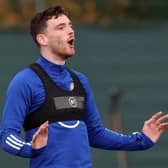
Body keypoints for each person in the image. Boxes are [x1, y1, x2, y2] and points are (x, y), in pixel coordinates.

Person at [0, 5, 168, 168]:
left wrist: (142, 140)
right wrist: (31, 149)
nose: (70, 31)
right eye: (61, 27)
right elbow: (6, 136)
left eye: (70, 26)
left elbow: (95, 134)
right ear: (42, 39)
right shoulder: (25, 81)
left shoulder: (80, 80)